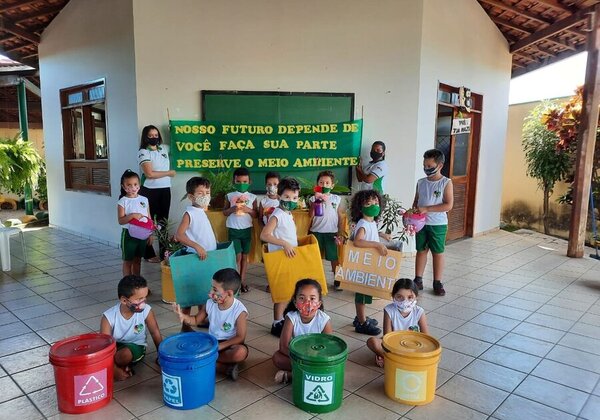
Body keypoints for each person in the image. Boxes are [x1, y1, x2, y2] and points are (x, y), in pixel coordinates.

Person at [173, 268, 248, 380]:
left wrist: (221, 346)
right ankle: (223, 367)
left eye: (215, 289)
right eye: (211, 288)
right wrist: (184, 317)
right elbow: (196, 320)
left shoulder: (239, 310)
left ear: (229, 293)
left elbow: (240, 337)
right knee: (190, 346)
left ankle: (206, 361)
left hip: (229, 344)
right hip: (211, 343)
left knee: (240, 352)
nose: (210, 293)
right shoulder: (210, 303)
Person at [174, 176, 218, 332]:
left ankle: (201, 319)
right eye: (201, 193)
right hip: (194, 258)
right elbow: (179, 235)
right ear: (191, 197)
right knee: (189, 295)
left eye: (207, 192)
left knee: (203, 290)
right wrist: (197, 246)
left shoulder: (201, 211)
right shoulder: (190, 213)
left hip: (204, 258)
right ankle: (185, 326)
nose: (205, 195)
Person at [101, 275, 162, 381]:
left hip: (136, 346)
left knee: (124, 355)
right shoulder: (108, 317)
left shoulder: (147, 311)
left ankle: (114, 365)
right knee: (103, 353)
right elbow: (105, 345)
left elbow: (155, 332)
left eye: (145, 297)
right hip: (114, 347)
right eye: (139, 299)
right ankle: (117, 367)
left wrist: (162, 357)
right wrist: (113, 371)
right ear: (124, 300)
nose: (143, 302)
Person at [260, 177, 301, 337]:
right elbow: (265, 235)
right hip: (280, 258)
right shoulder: (277, 214)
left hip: (288, 257)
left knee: (289, 289)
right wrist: (284, 243)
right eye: (287, 197)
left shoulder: (288, 213)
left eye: (294, 198)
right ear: (279, 196)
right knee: (281, 292)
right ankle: (277, 322)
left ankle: (283, 318)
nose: (291, 201)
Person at [272, 279, 333, 383]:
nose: (307, 303)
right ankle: (308, 374)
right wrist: (302, 360)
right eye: (302, 298)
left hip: (316, 358)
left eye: (312, 298)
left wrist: (314, 359)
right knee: (277, 358)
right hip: (297, 356)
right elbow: (283, 347)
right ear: (295, 302)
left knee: (328, 365)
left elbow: (329, 348)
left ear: (319, 303)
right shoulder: (291, 318)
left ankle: (293, 375)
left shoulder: (324, 320)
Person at [413, 149, 453, 296]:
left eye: (430, 166)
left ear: (440, 165)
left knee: (437, 252)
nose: (426, 169)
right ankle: (418, 280)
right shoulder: (421, 182)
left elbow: (448, 205)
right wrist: (411, 216)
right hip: (421, 224)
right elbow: (416, 202)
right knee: (421, 250)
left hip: (438, 224)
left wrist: (427, 209)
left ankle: (437, 282)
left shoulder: (446, 183)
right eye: (424, 165)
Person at [350, 189, 388, 336]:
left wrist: (381, 235)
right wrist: (377, 245)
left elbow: (370, 234)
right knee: (362, 293)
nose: (373, 205)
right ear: (361, 207)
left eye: (376, 202)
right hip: (362, 266)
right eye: (369, 203)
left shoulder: (370, 222)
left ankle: (360, 317)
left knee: (366, 292)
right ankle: (361, 322)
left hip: (368, 264)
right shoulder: (363, 223)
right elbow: (358, 241)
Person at [367, 278, 429, 367]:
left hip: (413, 345)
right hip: (394, 345)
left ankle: (393, 360)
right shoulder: (389, 310)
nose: (405, 301)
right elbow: (387, 337)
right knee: (372, 342)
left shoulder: (419, 311)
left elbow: (426, 337)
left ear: (416, 297)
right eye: (399, 297)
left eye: (410, 297)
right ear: (393, 296)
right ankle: (395, 359)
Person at [138, 125, 176, 262]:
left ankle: (164, 253)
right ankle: (148, 254)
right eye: (151, 136)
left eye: (156, 135)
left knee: (163, 222)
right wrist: (169, 173)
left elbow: (178, 144)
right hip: (149, 190)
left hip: (165, 189)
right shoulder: (143, 152)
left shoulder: (164, 148)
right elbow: (149, 174)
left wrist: (174, 131)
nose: (154, 138)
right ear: (145, 137)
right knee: (148, 221)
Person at [223, 168, 257, 292]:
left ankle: (242, 280)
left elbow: (255, 214)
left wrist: (248, 209)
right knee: (237, 257)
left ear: (249, 182)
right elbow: (224, 212)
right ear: (234, 181)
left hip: (246, 230)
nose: (241, 184)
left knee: (244, 256)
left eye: (244, 181)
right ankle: (234, 283)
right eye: (238, 181)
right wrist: (232, 209)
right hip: (233, 230)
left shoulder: (252, 197)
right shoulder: (229, 196)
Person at [309, 170, 344, 291]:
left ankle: (337, 280)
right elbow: (310, 215)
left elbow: (340, 216)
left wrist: (340, 232)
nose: (324, 185)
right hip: (317, 231)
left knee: (334, 257)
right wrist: (315, 203)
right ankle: (315, 281)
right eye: (321, 182)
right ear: (317, 184)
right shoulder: (313, 198)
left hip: (331, 232)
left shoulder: (336, 198)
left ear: (332, 185)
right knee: (315, 257)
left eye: (327, 183)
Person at [117, 170, 152, 276]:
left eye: (135, 184)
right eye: (129, 185)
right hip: (129, 235)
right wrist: (132, 216)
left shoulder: (144, 200)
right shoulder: (122, 201)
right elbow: (120, 220)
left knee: (138, 261)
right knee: (128, 261)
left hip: (143, 235)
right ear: (123, 187)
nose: (132, 188)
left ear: (139, 185)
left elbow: (148, 218)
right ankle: (127, 285)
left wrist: (150, 234)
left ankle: (137, 284)